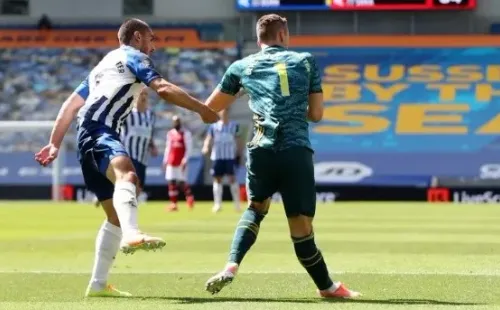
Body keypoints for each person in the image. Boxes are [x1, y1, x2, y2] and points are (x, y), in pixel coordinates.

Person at [34, 18, 218, 298]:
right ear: (136, 37)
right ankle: (133, 235)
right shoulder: (134, 57)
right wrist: (201, 109)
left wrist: (53, 143)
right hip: (99, 131)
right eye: (151, 39)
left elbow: (70, 106)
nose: (153, 46)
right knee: (128, 175)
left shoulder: (103, 65)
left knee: (114, 215)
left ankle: (97, 284)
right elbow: (164, 89)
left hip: (87, 135)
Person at [202, 14, 360, 299]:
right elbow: (317, 114)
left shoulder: (242, 66)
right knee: (301, 227)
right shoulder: (306, 61)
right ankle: (327, 287)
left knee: (255, 209)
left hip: (261, 149)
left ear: (259, 38)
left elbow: (209, 110)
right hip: (295, 150)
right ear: (284, 35)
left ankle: (231, 265)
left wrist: (241, 92)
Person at [202, 109, 243, 213]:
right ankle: (217, 204)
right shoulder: (214, 126)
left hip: (229, 156)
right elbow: (208, 138)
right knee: (217, 179)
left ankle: (237, 204)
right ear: (219, 113)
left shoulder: (234, 126)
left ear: (228, 113)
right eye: (222, 112)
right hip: (217, 156)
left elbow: (239, 139)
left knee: (232, 179)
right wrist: (206, 146)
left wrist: (239, 153)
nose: (224, 114)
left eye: (226, 112)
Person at [121, 88, 158, 193]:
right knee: (131, 182)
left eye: (146, 94)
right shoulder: (128, 113)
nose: (144, 96)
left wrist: (153, 146)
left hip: (143, 157)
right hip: (129, 154)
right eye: (141, 94)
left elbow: (149, 134)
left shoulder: (151, 115)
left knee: (139, 188)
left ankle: (111, 193)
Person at [163, 115, 195, 211]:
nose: (176, 123)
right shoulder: (170, 134)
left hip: (180, 161)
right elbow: (168, 147)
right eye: (175, 121)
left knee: (182, 182)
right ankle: (174, 204)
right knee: (171, 182)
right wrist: (165, 160)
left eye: (177, 121)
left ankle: (190, 198)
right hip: (171, 160)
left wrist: (185, 159)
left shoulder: (186, 133)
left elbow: (189, 147)